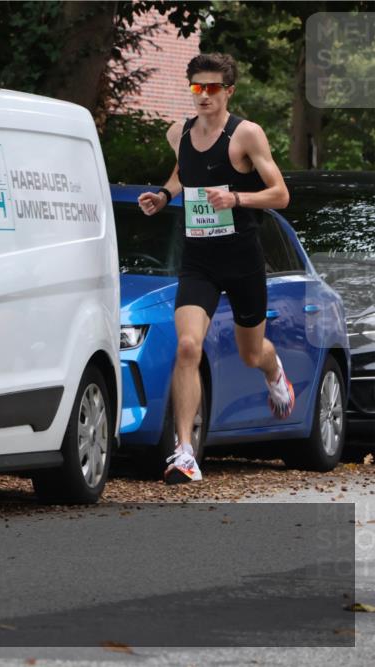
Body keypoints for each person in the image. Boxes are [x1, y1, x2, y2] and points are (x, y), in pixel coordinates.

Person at [137, 53, 292, 484]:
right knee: (188, 346)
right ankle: (183, 452)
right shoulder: (178, 133)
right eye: (196, 88)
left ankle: (273, 368)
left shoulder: (246, 135)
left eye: (212, 88)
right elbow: (183, 174)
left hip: (242, 259)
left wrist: (238, 199)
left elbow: (280, 194)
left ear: (228, 91)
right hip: (199, 258)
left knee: (250, 353)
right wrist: (164, 197)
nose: (203, 96)